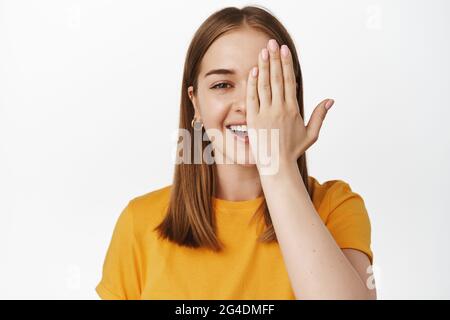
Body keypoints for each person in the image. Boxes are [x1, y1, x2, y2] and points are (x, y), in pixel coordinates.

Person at [96, 5, 376, 300]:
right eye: (222, 85)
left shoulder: (335, 207)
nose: (247, 105)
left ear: (291, 95)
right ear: (196, 103)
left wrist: (278, 167)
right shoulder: (138, 222)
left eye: (266, 83)